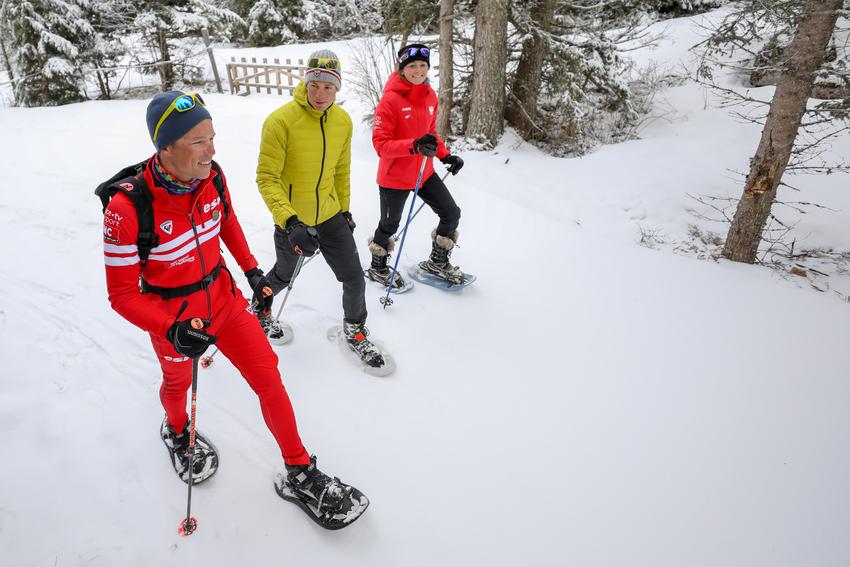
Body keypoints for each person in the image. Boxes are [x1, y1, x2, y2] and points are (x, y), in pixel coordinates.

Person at [100, 91, 367, 529]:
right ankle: (177, 428)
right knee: (177, 382)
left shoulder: (213, 177)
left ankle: (300, 470)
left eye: (213, 137)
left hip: (223, 301)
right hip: (176, 317)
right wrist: (172, 329)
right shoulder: (127, 208)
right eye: (198, 141)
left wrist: (252, 272)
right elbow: (122, 295)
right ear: (164, 147)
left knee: (269, 377)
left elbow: (227, 223)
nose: (212, 150)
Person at [256, 49, 387, 370]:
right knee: (284, 275)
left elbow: (341, 171)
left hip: (330, 216)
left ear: (337, 88)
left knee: (354, 277)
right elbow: (267, 178)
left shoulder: (342, 121)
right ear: (306, 82)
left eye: (328, 87)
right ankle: (259, 311)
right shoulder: (280, 121)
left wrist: (344, 211)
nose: (320, 94)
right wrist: (289, 220)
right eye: (315, 85)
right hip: (293, 221)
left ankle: (355, 330)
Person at [367, 43, 466, 288]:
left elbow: (430, 133)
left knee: (451, 213)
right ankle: (377, 266)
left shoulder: (430, 95)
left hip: (424, 172)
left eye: (423, 65)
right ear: (402, 69)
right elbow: (381, 145)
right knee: (389, 224)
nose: (418, 70)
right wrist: (414, 146)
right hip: (395, 176)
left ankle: (437, 261)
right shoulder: (390, 100)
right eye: (412, 66)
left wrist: (445, 155)